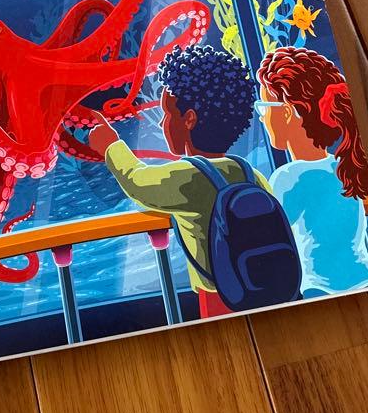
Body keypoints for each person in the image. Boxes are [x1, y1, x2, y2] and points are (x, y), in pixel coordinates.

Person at [88, 44, 266, 318]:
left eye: (167, 114)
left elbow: (138, 182)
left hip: (221, 298)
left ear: (189, 119)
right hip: (266, 288)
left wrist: (111, 146)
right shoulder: (250, 173)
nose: (162, 124)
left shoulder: (189, 177)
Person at [255, 46, 368, 297]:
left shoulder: (287, 178)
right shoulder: (344, 165)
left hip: (320, 290)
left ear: (286, 113)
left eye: (264, 107)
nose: (261, 117)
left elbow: (266, 237)